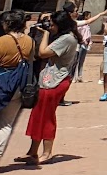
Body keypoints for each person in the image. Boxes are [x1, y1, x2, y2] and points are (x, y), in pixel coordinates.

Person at [20, 10, 79, 166]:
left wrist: (45, 34)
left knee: (46, 117)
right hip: (50, 80)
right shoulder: (65, 37)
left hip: (55, 82)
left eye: (52, 25)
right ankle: (33, 152)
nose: (50, 27)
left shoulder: (67, 39)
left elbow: (43, 52)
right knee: (38, 116)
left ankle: (47, 152)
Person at [0, 10, 37, 169]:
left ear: (8, 23)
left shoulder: (0, 42)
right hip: (19, 86)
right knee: (5, 124)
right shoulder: (30, 41)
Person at [68, 9, 93, 102]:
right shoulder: (80, 25)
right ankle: (74, 77)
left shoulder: (87, 26)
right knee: (76, 61)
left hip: (86, 44)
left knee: (82, 61)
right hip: (80, 44)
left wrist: (89, 42)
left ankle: (80, 76)